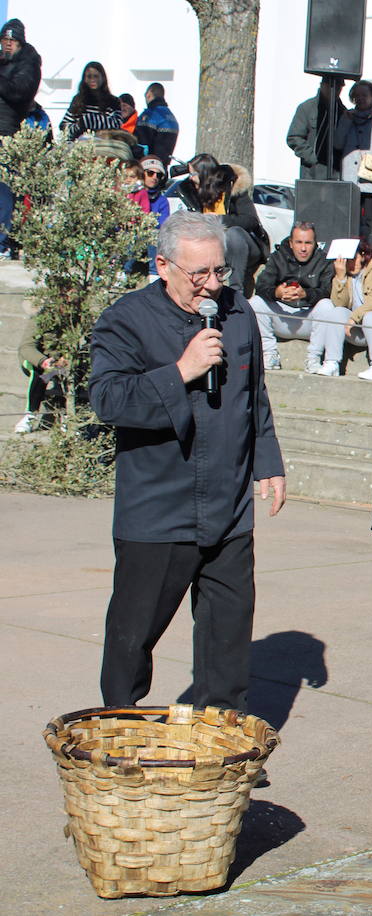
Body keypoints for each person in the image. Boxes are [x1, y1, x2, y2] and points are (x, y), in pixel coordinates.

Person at [88, 211, 286, 710]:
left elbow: (253, 397)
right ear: (163, 265)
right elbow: (109, 400)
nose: (212, 285)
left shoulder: (236, 312)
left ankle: (220, 736)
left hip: (229, 503)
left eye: (220, 271)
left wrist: (269, 461)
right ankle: (119, 724)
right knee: (134, 633)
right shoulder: (125, 319)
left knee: (228, 633)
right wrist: (181, 370)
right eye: (200, 274)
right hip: (159, 507)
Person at [309, 238, 372, 382]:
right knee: (337, 312)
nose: (350, 264)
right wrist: (340, 278)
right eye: (345, 260)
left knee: (370, 316)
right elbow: (339, 304)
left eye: (353, 258)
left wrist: (353, 317)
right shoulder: (345, 273)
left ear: (362, 254)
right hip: (359, 330)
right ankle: (331, 362)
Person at [176, 153, 269, 295]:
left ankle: (236, 290)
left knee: (234, 233)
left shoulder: (231, 188)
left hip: (244, 245)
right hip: (214, 245)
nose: (190, 177)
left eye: (193, 174)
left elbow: (251, 221)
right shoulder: (191, 192)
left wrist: (220, 220)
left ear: (204, 174)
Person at [250, 221, 332, 371]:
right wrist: (277, 292)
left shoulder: (324, 261)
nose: (303, 248)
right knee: (255, 303)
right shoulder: (278, 257)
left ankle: (314, 358)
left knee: (327, 305)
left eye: (308, 243)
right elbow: (261, 286)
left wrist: (305, 294)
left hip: (308, 319)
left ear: (315, 244)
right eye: (299, 242)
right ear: (291, 243)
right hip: (281, 316)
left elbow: (326, 291)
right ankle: (269, 354)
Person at [0, 18, 40, 260]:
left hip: (7, 134)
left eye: (11, 41)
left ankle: (3, 241)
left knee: (4, 190)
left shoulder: (29, 64)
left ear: (20, 43)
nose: (7, 45)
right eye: (4, 40)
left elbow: (19, 92)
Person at [286, 76, 346, 180]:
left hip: (336, 174)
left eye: (338, 88)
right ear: (322, 85)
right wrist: (311, 158)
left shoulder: (343, 112)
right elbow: (294, 137)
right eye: (330, 86)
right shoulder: (307, 108)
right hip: (311, 175)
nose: (335, 91)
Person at [337, 80, 372, 202]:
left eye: (364, 95)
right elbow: (337, 144)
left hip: (371, 180)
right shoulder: (347, 116)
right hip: (350, 181)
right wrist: (346, 122)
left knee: (369, 219)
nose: (360, 99)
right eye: (356, 96)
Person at [14, 311, 63, 434]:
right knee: (41, 373)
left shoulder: (83, 317)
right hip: (44, 363)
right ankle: (30, 414)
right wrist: (43, 361)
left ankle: (69, 417)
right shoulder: (43, 317)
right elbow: (26, 347)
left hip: (66, 363)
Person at [58, 61, 121, 140]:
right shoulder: (78, 100)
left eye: (96, 76)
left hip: (105, 145)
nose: (93, 80)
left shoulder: (113, 101)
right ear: (84, 79)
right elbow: (64, 127)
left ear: (103, 78)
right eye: (89, 77)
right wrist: (80, 125)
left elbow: (117, 125)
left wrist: (90, 120)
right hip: (79, 145)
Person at [135, 82, 179, 165]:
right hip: (163, 167)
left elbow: (141, 144)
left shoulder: (150, 115)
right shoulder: (171, 117)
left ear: (149, 94)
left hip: (149, 168)